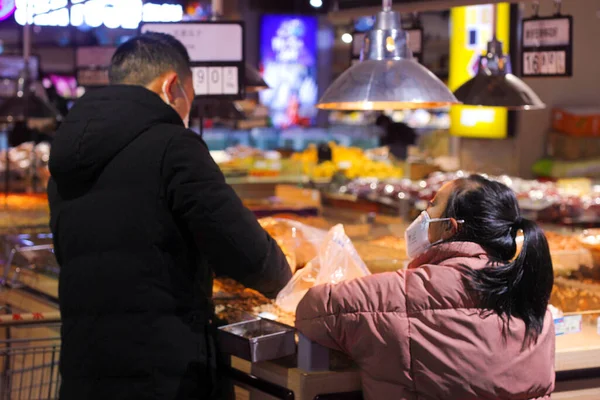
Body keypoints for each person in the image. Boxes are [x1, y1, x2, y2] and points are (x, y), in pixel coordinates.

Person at [47, 32, 292, 400]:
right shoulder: (173, 146)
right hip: (162, 376)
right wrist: (287, 278)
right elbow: (245, 251)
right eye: (189, 99)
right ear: (172, 87)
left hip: (84, 371)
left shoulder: (66, 156)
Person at [296, 175, 555, 400]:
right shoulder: (533, 299)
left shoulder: (398, 292)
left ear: (448, 228)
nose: (422, 213)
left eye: (432, 206)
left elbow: (312, 310)